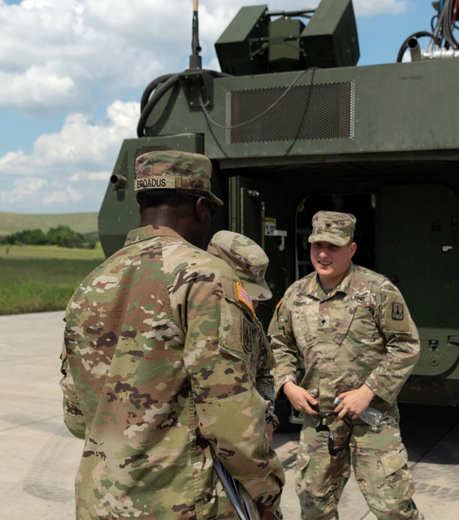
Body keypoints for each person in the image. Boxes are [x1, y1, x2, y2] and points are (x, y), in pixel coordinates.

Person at [59, 150, 284, 520]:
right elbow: (230, 417)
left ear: (140, 205)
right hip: (184, 503)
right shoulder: (205, 277)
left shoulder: (90, 283)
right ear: (200, 207)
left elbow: (76, 417)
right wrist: (267, 487)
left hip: (100, 501)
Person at [269, 211, 424, 520]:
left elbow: (406, 345)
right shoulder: (295, 295)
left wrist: (369, 390)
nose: (323, 254)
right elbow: (277, 344)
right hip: (319, 422)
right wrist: (288, 386)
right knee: (313, 507)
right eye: (317, 245)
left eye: (333, 246)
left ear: (351, 249)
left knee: (394, 508)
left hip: (372, 419)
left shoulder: (378, 291)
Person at [207, 230, 280, 439]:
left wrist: (267, 418)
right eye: (246, 291)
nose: (255, 303)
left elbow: (264, 372)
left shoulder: (249, 321)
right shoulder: (186, 316)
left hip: (242, 446)